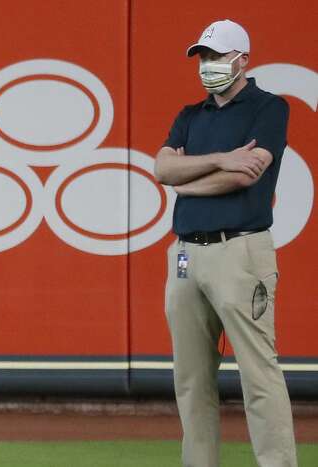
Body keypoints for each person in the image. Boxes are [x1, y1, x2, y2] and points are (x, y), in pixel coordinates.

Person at [154, 19, 297, 467]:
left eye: (216, 56)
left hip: (240, 250)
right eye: (203, 57)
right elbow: (162, 170)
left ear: (242, 60)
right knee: (192, 380)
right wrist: (218, 160)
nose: (208, 65)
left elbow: (244, 174)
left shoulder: (268, 108)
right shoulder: (189, 115)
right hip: (184, 255)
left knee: (259, 376)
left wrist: (188, 176)